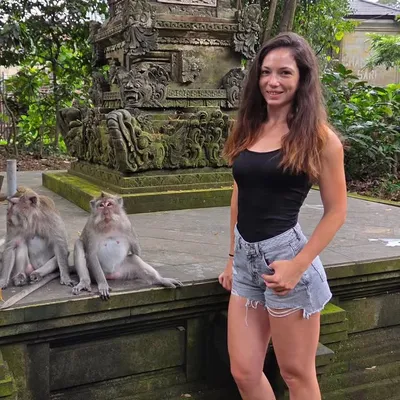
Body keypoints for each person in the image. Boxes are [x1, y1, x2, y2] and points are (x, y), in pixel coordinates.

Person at [218, 32, 347, 400]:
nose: (272, 82)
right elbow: (240, 192)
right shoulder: (249, 127)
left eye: (285, 73)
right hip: (246, 263)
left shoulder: (320, 138)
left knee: (296, 374)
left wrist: (297, 266)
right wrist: (232, 257)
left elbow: (337, 211)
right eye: (266, 72)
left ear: (302, 78)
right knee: (244, 372)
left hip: (288, 262)